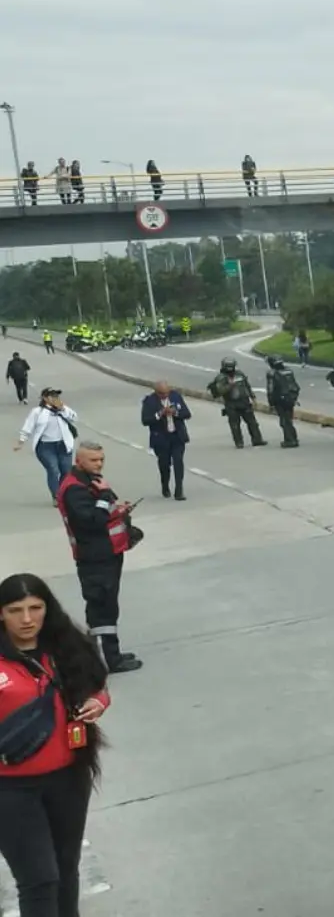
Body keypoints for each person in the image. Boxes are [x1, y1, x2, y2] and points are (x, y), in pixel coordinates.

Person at [0, 574, 113, 917]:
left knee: (66, 871)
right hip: (10, 789)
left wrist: (98, 702)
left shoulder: (66, 647)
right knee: (38, 879)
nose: (27, 619)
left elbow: (96, 685)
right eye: (15, 610)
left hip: (67, 778)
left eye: (36, 608)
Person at [56, 441, 144, 674]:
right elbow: (91, 521)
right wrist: (105, 495)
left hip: (107, 554)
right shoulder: (74, 488)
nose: (99, 464)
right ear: (79, 461)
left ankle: (108, 654)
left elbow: (101, 513)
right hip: (95, 557)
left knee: (107, 606)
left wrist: (117, 509)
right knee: (102, 608)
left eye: (101, 459)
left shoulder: (88, 481)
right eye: (93, 460)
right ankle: (109, 659)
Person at [13, 389, 79, 501]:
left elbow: (74, 418)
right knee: (53, 469)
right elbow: (28, 427)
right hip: (46, 447)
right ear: (45, 398)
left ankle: (63, 494)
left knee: (66, 471)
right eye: (52, 396)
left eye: (57, 396)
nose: (55, 398)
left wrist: (63, 409)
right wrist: (21, 442)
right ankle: (56, 496)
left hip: (64, 444)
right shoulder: (37, 412)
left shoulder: (63, 409)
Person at [139, 379, 191, 500]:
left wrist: (175, 413)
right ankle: (165, 485)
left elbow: (187, 414)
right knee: (164, 464)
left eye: (167, 393)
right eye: (162, 394)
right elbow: (145, 420)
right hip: (161, 438)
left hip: (177, 436)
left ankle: (179, 490)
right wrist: (160, 413)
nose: (165, 396)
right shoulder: (149, 401)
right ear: (156, 392)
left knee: (178, 461)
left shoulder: (176, 396)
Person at [208, 358, 267, 449]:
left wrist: (253, 397)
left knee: (253, 423)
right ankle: (239, 442)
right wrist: (230, 385)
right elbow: (220, 391)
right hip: (231, 404)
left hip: (244, 402)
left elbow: (247, 386)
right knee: (235, 425)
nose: (230, 369)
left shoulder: (240, 374)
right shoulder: (221, 378)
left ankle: (257, 440)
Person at [265, 356, 301, 448]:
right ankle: (294, 438)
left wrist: (271, 403)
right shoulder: (289, 371)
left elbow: (270, 389)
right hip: (291, 397)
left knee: (284, 420)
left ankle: (290, 440)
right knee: (289, 419)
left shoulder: (272, 373)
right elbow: (295, 385)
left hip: (280, 399)